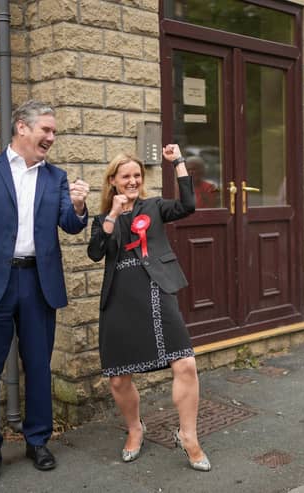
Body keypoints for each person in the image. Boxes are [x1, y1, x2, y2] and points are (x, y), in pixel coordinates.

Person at [0, 100, 89, 484]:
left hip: (36, 282)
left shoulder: (56, 177)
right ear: (22, 128)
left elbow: (71, 225)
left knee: (39, 367)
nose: (52, 137)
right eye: (46, 129)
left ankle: (37, 440)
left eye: (54, 131)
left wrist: (78, 206)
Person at [87, 146, 211, 471]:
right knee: (117, 378)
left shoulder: (154, 207)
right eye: (126, 176)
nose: (132, 181)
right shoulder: (102, 219)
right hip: (119, 298)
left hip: (157, 290)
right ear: (112, 180)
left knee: (185, 363)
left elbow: (188, 205)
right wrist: (113, 215)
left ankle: (189, 436)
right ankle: (134, 428)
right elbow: (96, 252)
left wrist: (179, 163)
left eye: (137, 176)